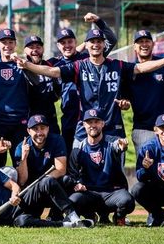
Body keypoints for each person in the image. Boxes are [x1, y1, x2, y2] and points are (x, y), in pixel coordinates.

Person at [15, 28, 164, 147]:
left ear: (103, 45)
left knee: (115, 171)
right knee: (78, 170)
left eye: (99, 41)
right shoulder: (79, 66)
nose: (96, 45)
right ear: (86, 45)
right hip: (85, 127)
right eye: (92, 42)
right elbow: (52, 71)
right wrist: (27, 65)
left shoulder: (116, 64)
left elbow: (139, 68)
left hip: (113, 127)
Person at [0, 149, 91, 228]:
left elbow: (14, 185)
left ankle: (74, 218)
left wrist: (14, 194)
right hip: (10, 219)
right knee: (23, 222)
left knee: (47, 181)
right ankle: (66, 225)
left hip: (21, 202)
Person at [47, 13, 118, 152]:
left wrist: (98, 20)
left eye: (70, 42)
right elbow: (38, 66)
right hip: (69, 117)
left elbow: (111, 40)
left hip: (92, 118)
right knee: (71, 157)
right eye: (63, 43)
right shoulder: (55, 63)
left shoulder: (89, 56)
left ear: (76, 42)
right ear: (58, 45)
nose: (67, 45)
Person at [12, 115, 83, 226]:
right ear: (28, 131)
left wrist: (44, 183)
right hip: (31, 192)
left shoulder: (56, 140)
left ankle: (67, 216)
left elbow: (61, 170)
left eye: (43, 128)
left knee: (66, 180)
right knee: (23, 220)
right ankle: (67, 220)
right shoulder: (21, 147)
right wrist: (24, 158)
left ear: (48, 129)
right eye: (35, 129)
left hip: (50, 185)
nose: (40, 132)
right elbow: (22, 181)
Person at [67, 109, 135, 225]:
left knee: (127, 200)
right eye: (89, 122)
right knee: (73, 200)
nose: (93, 125)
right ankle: (90, 216)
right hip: (90, 193)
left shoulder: (111, 141)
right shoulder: (78, 149)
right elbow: (73, 175)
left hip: (111, 193)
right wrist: (77, 184)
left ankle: (118, 218)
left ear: (103, 124)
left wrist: (122, 147)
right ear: (84, 125)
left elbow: (117, 147)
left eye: (96, 122)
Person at [126, 29, 164, 151]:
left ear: (153, 44)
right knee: (146, 167)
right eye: (140, 42)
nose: (144, 45)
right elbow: (125, 98)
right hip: (143, 129)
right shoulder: (128, 70)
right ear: (134, 47)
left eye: (147, 41)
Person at [0, 29, 31, 146]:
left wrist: (25, 64)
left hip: (20, 122)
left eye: (10, 42)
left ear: (15, 44)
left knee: (20, 160)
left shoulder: (23, 65)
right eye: (4, 42)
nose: (7, 46)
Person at [22, 35, 61, 135]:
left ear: (43, 49)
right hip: (28, 120)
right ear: (25, 50)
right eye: (31, 47)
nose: (35, 50)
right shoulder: (20, 68)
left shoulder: (51, 65)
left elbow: (71, 55)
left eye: (38, 47)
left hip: (50, 118)